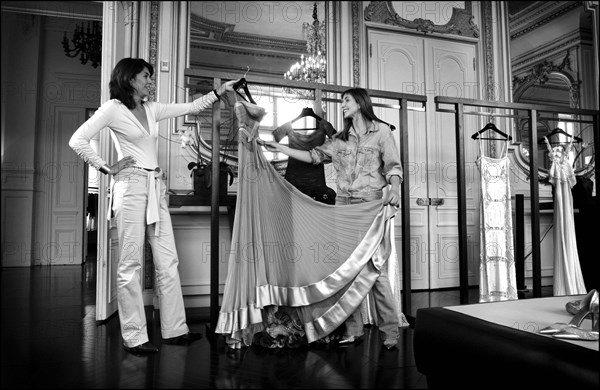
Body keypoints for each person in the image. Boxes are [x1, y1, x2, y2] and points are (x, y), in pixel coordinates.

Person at [69, 57, 238, 354]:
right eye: (146, 76)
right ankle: (134, 336)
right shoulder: (113, 109)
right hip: (131, 187)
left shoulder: (152, 108)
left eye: (150, 76)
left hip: (155, 187)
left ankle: (175, 329)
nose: (150, 80)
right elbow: (78, 140)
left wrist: (220, 91)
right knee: (130, 265)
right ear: (130, 79)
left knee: (168, 260)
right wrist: (107, 167)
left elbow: (191, 107)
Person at [263, 88, 403, 349]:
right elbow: (314, 156)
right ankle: (353, 329)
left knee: (375, 269)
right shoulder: (339, 139)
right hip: (343, 206)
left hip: (370, 206)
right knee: (346, 270)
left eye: (346, 100)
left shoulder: (382, 132)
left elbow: (393, 166)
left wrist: (394, 188)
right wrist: (279, 147)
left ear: (360, 103)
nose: (342, 106)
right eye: (341, 102)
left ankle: (390, 332)